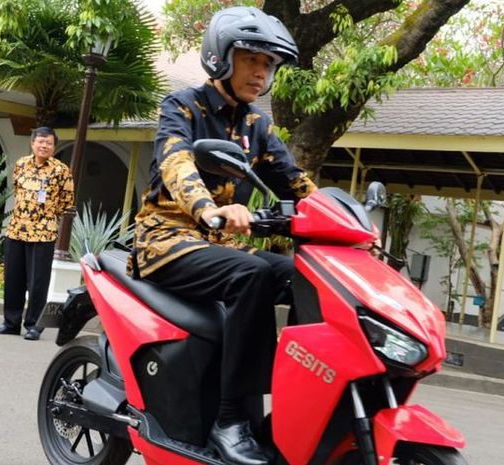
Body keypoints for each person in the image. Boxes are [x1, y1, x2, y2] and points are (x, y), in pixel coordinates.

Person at [128, 7, 316, 465]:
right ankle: (230, 419)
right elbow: (177, 164)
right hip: (166, 238)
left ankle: (295, 407)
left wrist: (349, 227)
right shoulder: (181, 106)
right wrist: (209, 209)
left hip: (217, 246)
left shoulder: (258, 127)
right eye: (251, 58)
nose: (260, 72)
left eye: (268, 64)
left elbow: (297, 183)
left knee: (303, 275)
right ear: (221, 58)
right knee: (250, 274)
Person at [0, 127, 74, 341]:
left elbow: (67, 203)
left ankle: (34, 325)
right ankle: (10, 322)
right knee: (13, 278)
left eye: (49, 143)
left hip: (43, 233)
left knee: (37, 282)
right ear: (32, 143)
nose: (44, 146)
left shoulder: (61, 170)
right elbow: (17, 190)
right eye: (40, 141)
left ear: (54, 147)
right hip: (16, 230)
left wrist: (44, 215)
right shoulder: (21, 164)